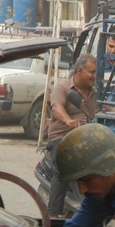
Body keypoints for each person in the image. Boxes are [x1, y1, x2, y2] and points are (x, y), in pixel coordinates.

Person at [44, 55, 98, 216]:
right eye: (91, 72)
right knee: (65, 165)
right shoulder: (63, 88)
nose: (94, 76)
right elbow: (56, 108)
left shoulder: (95, 92)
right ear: (79, 71)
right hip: (62, 138)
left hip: (86, 140)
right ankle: (52, 213)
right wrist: (69, 121)